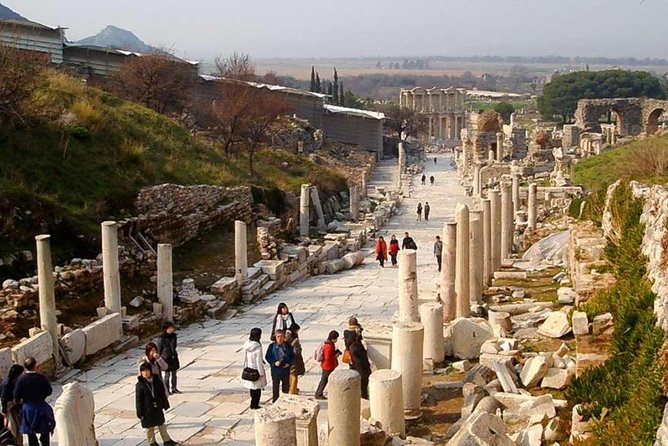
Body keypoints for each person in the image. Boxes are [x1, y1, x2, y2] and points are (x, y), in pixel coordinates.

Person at [13, 357, 55, 446]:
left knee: (30, 432)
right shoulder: (41, 377)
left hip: (28, 407)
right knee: (45, 429)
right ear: (35, 365)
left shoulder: (21, 379)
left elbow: (16, 394)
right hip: (41, 406)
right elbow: (49, 391)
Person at [135, 362, 178, 446]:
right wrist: (139, 412)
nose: (146, 373)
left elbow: (162, 393)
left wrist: (165, 403)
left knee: (161, 424)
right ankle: (152, 442)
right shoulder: (140, 385)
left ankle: (167, 440)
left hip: (157, 406)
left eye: (147, 370)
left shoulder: (157, 381)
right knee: (149, 428)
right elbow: (138, 399)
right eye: (143, 371)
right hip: (147, 409)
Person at [265, 329, 294, 402]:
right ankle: (275, 401)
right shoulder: (272, 346)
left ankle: (285, 401)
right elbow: (268, 357)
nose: (280, 338)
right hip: (276, 370)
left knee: (286, 388)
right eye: (278, 336)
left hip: (285, 370)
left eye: (281, 336)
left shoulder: (288, 346)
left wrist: (289, 364)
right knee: (275, 388)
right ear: (275, 337)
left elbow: (292, 356)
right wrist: (274, 363)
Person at [242, 328, 267, 410]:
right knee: (257, 389)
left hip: (249, 368)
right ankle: (255, 405)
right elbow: (258, 361)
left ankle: (252, 403)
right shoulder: (257, 346)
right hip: (256, 370)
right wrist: (261, 373)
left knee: (252, 388)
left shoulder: (247, 345)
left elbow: (245, 358)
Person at [315, 331, 341, 400]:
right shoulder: (328, 346)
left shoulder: (330, 344)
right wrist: (336, 355)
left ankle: (319, 393)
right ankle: (319, 393)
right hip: (327, 366)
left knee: (324, 380)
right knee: (324, 380)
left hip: (328, 365)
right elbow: (327, 357)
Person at [2, 365, 24, 445]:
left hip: (13, 407)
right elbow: (4, 398)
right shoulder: (8, 383)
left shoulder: (12, 380)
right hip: (10, 408)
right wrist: (5, 410)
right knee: (14, 428)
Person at [158, 322, 180, 395]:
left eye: (172, 328)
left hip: (173, 357)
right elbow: (159, 349)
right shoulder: (162, 338)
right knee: (167, 375)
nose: (172, 329)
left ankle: (174, 388)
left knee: (174, 374)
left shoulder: (174, 336)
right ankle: (166, 389)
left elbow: (174, 346)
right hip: (166, 358)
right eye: (170, 328)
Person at [349, 333, 372, 399]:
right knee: (364, 388)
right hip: (364, 372)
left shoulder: (353, 349)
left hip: (360, 372)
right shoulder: (359, 349)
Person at [286, 323, 305, 395]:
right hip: (294, 359)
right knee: (294, 375)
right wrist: (296, 343)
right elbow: (296, 351)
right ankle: (293, 390)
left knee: (291, 374)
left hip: (292, 358)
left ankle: (291, 388)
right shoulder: (292, 339)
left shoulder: (289, 335)